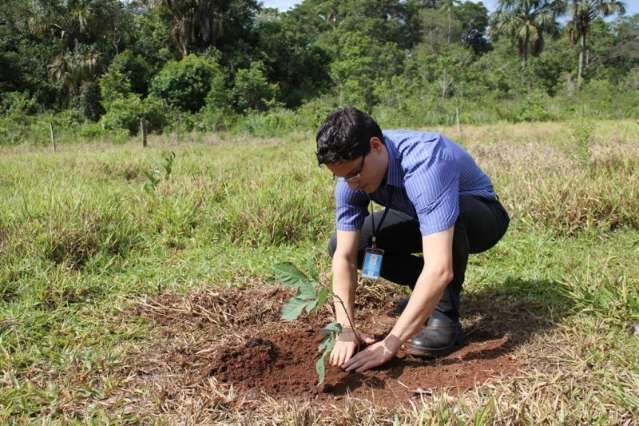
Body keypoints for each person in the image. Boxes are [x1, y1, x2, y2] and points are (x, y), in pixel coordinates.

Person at [316, 107, 509, 373]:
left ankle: (445, 319)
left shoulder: (425, 163)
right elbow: (345, 256)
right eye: (341, 177)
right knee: (341, 243)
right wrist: (346, 329)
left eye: (354, 173)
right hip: (419, 216)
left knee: (450, 219)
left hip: (481, 216)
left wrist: (390, 343)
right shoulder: (353, 176)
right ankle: (426, 292)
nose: (350, 184)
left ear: (376, 146)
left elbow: (439, 268)